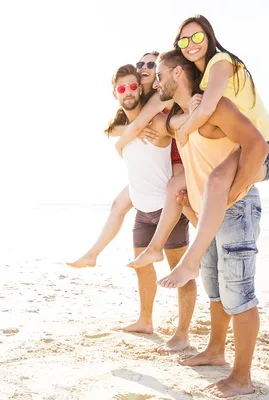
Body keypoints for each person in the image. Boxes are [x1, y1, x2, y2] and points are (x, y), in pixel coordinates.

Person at [128, 15, 269, 292]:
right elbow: (185, 110)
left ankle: (190, 261)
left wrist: (185, 129)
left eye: (197, 37)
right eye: (184, 40)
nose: (191, 44)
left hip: (266, 147)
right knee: (178, 183)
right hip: (241, 146)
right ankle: (155, 247)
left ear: (210, 37)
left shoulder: (220, 62)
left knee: (218, 183)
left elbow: (209, 107)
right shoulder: (200, 80)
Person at [152, 49, 269, 398]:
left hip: (234, 208)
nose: (156, 81)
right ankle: (216, 350)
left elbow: (258, 146)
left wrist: (233, 193)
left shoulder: (216, 107)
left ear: (177, 74)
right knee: (215, 289)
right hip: (207, 213)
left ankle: (242, 377)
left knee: (240, 294)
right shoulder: (183, 118)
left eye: (160, 74)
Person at [93, 63, 196, 352]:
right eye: (122, 88)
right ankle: (145, 320)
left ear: (141, 88)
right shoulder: (121, 128)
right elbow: (111, 130)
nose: (128, 92)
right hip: (142, 211)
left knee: (180, 272)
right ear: (115, 94)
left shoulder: (158, 123)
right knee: (143, 269)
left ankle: (182, 333)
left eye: (132, 86)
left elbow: (173, 125)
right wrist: (126, 135)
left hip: (168, 210)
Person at [67, 52, 185, 270]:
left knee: (176, 194)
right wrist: (131, 132)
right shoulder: (136, 101)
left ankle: (190, 244)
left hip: (177, 152)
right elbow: (113, 129)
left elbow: (147, 125)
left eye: (151, 64)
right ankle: (93, 254)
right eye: (141, 63)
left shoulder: (161, 93)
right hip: (153, 164)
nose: (144, 67)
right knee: (117, 205)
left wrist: (121, 144)